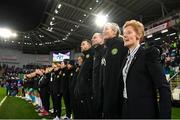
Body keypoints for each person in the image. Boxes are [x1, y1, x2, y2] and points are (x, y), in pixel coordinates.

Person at [120, 20, 171, 118]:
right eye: (124, 33)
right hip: (126, 108)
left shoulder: (147, 55)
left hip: (143, 111)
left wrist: (165, 117)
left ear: (138, 35)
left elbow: (163, 87)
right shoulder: (125, 59)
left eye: (129, 32)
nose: (125, 36)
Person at [100, 22, 128, 118]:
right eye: (103, 29)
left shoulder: (121, 43)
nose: (104, 31)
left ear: (115, 31)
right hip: (107, 90)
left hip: (117, 92)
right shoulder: (107, 48)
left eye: (106, 29)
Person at [74, 39, 95, 118]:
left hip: (88, 91)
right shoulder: (86, 56)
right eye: (81, 44)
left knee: (89, 113)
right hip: (83, 91)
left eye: (83, 44)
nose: (81, 46)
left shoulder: (92, 54)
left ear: (89, 45)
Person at [91, 32, 104, 118]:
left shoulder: (105, 50)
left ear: (102, 39)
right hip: (96, 89)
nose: (92, 39)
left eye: (95, 37)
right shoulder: (96, 53)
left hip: (103, 89)